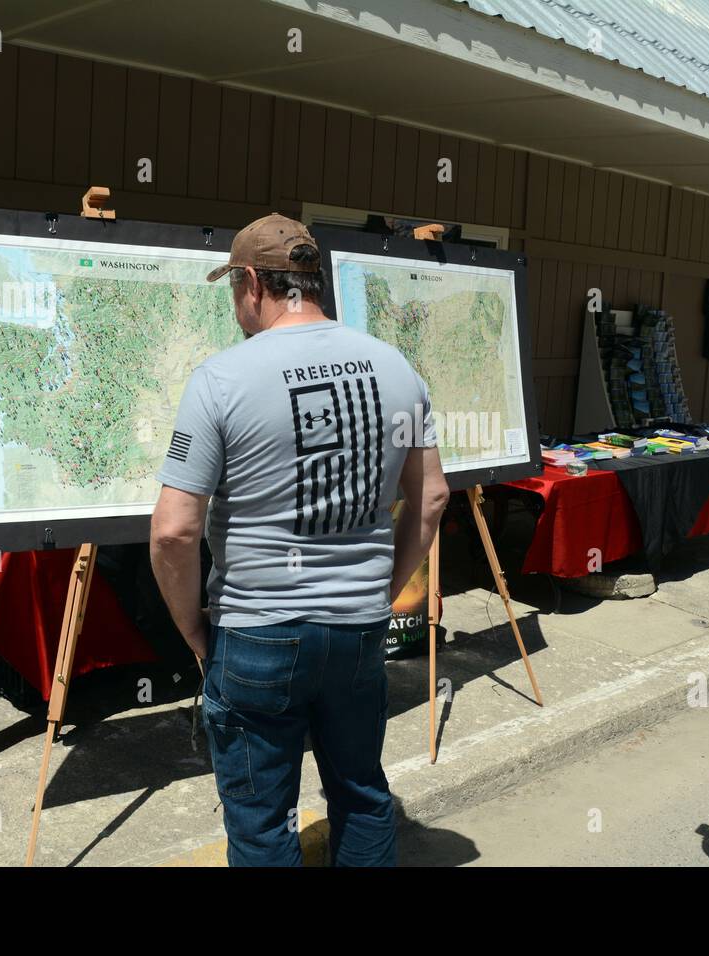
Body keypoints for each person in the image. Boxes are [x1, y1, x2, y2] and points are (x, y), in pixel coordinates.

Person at [149, 213, 450, 866]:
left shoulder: (220, 380)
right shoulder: (396, 369)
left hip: (256, 632)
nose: (236, 304)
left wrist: (194, 630)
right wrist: (382, 589)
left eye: (234, 288)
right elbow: (430, 498)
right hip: (359, 629)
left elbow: (174, 531)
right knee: (362, 791)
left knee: (262, 820)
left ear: (253, 282)